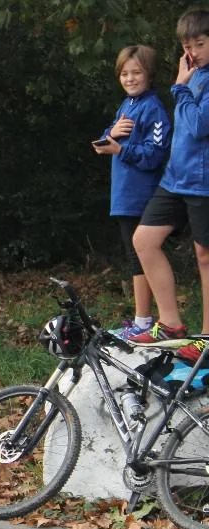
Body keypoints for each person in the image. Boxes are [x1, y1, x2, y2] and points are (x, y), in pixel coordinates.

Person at [130, 8, 209, 364]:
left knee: (205, 257)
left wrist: (179, 87)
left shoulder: (192, 81)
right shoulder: (193, 75)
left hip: (203, 181)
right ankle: (171, 324)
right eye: (186, 45)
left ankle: (207, 338)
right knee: (144, 240)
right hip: (175, 178)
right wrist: (184, 84)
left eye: (200, 44)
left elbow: (199, 125)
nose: (192, 52)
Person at [92, 45, 171, 341]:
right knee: (133, 255)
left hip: (141, 195)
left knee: (140, 256)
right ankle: (142, 319)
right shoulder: (127, 104)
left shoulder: (154, 108)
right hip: (123, 196)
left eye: (136, 72)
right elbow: (105, 139)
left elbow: (155, 155)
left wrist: (120, 149)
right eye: (124, 73)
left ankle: (145, 321)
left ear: (149, 74)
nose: (130, 78)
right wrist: (109, 137)